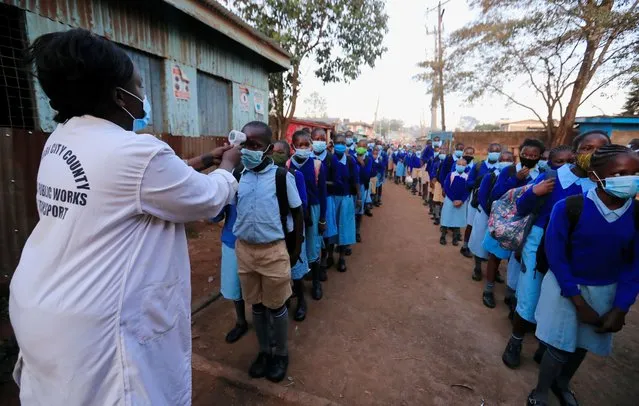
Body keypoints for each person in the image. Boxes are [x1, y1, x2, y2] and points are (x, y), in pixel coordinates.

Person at [9, 29, 240, 405]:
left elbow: (126, 186)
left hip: (41, 307)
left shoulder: (62, 139)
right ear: (120, 96)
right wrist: (227, 169)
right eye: (139, 85)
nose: (143, 94)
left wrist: (200, 161)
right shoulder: (138, 154)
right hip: (95, 328)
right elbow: (205, 200)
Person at [526, 144, 639, 406]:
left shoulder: (635, 215)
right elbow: (556, 256)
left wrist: (621, 307)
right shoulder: (569, 208)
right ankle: (541, 391)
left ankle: (562, 383)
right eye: (621, 174)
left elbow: (633, 265)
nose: (630, 181)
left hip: (605, 290)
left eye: (635, 173)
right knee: (558, 345)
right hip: (566, 287)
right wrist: (577, 301)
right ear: (595, 177)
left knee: (583, 343)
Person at [502, 133, 610, 369]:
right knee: (530, 294)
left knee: (558, 299)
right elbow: (521, 207)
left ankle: (545, 346)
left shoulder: (604, 185)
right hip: (540, 242)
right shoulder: (551, 177)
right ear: (575, 152)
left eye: (600, 149)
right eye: (587, 148)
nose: (592, 154)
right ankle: (516, 340)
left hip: (576, 248)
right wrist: (533, 192)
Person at [233, 123, 304, 382]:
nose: (247, 151)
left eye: (254, 146)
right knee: (258, 305)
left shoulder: (282, 177)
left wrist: (295, 249)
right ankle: (264, 351)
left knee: (276, 305)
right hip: (245, 251)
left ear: (268, 149)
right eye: (245, 145)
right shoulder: (239, 174)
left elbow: (297, 213)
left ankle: (281, 353)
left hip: (273, 251)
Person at [481, 138, 546, 309]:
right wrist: (515, 179)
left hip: (525, 224)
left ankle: (511, 293)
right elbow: (496, 194)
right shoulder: (509, 171)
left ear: (539, 157)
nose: (529, 157)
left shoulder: (541, 175)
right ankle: (488, 289)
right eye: (525, 154)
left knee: (516, 260)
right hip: (504, 220)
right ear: (520, 154)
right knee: (495, 255)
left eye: (534, 155)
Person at [272, 139, 310, 322]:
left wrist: (299, 239)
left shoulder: (294, 175)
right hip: (275, 233)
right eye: (274, 151)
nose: (276, 155)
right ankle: (285, 300)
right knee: (280, 272)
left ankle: (302, 301)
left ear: (288, 156)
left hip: (292, 231)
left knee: (296, 272)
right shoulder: (267, 176)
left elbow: (301, 206)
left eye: (281, 152)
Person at [291, 131, 328, 303]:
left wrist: (322, 218)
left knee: (313, 248)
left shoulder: (317, 165)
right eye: (300, 145)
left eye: (307, 145)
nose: (303, 148)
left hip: (313, 211)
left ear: (311, 146)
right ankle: (297, 287)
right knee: (297, 248)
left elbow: (323, 195)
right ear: (293, 146)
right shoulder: (287, 164)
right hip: (295, 213)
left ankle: (316, 283)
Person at [468, 151, 514, 280]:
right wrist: (491, 213)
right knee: (479, 241)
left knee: (496, 245)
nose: (506, 162)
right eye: (503, 159)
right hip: (486, 213)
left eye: (509, 159)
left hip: (503, 218)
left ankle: (494, 270)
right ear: (499, 161)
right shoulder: (490, 176)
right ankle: (477, 267)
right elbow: (482, 196)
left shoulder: (515, 178)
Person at [211, 199, 248, 343]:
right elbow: (216, 216)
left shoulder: (265, 178)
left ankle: (268, 323)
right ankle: (241, 322)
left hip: (258, 241)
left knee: (260, 286)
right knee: (233, 285)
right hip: (232, 241)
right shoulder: (228, 183)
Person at [461, 143, 502, 258]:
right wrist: (481, 183)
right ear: (488, 151)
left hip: (492, 204)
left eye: (497, 151)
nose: (495, 153)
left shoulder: (502, 168)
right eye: (493, 150)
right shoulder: (479, 166)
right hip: (476, 201)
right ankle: (465, 246)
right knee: (471, 224)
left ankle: (483, 253)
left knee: (487, 228)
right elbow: (468, 182)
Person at [326, 133, 359, 272]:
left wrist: (359, 197)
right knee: (331, 228)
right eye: (337, 142)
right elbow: (323, 179)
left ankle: (341, 258)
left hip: (346, 198)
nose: (340, 145)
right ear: (333, 144)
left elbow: (355, 180)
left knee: (344, 229)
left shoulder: (351, 161)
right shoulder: (328, 159)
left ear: (346, 145)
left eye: (343, 143)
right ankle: (329, 256)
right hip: (332, 199)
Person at [311, 128, 337, 281]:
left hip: (326, 198)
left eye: (322, 138)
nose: (319, 141)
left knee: (326, 232)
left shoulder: (330, 158)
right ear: (311, 139)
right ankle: (314, 262)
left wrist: (321, 183)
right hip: (312, 201)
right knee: (312, 232)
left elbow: (337, 180)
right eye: (316, 138)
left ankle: (324, 262)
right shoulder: (307, 156)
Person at [440, 158, 471, 245]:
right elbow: (446, 188)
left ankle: (455, 237)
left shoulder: (467, 177)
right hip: (450, 200)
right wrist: (453, 199)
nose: (461, 166)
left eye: (463, 165)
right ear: (456, 165)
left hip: (461, 202)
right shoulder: (451, 175)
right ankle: (443, 236)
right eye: (459, 164)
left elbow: (467, 191)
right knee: (447, 217)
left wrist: (462, 200)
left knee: (458, 220)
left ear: (466, 166)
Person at [355, 140, 373, 242]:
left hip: (362, 186)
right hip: (351, 187)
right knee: (351, 211)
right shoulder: (351, 157)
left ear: (366, 148)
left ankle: (357, 231)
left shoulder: (368, 159)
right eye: (360, 146)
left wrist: (361, 163)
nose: (361, 148)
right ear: (357, 146)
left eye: (364, 146)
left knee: (359, 210)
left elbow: (367, 175)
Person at [430, 147, 448, 225]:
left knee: (443, 202)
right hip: (437, 183)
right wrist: (433, 177)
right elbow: (433, 172)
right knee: (436, 200)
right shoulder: (436, 163)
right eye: (441, 153)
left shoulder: (447, 164)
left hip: (445, 185)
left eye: (444, 153)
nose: (442, 154)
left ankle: (442, 217)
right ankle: (437, 216)